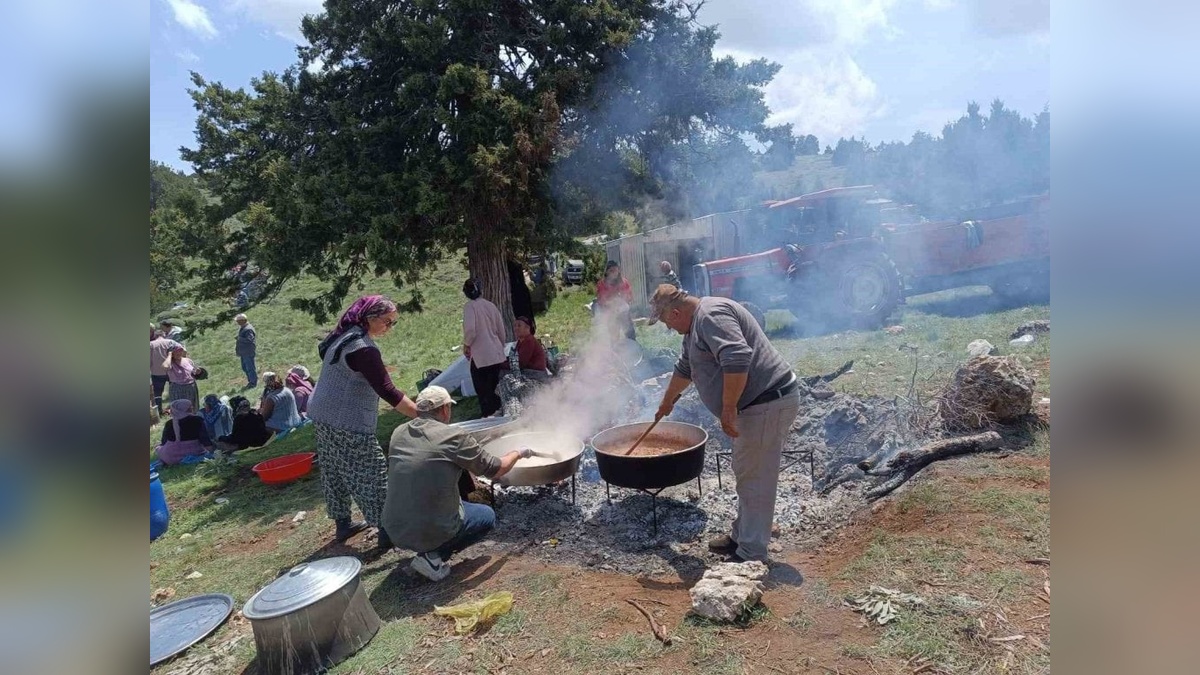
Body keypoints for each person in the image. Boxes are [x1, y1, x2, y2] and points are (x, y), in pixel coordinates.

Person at [647, 284, 801, 563]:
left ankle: (751, 554)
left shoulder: (711, 316)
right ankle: (741, 537)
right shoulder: (694, 325)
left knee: (756, 479)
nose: (668, 328)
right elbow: (685, 367)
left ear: (676, 312)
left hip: (766, 402)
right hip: (756, 405)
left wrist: (728, 408)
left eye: (666, 322)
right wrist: (667, 400)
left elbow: (738, 357)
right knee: (747, 473)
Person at [382, 386, 531, 581]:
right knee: (487, 516)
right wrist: (518, 452)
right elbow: (497, 469)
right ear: (445, 409)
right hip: (422, 527)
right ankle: (432, 559)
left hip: (393, 526)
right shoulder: (453, 436)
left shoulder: (398, 432)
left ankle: (427, 546)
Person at [308, 295, 419, 548]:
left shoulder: (343, 336)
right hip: (345, 420)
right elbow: (387, 391)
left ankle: (343, 523)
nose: (389, 328)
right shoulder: (362, 348)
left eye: (394, 323)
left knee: (333, 469)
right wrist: (423, 416)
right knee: (372, 471)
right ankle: (387, 529)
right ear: (370, 318)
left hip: (322, 414)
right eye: (388, 322)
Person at [461, 279, 508, 418]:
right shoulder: (490, 305)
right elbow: (501, 330)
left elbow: (471, 330)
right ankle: (502, 414)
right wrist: (500, 345)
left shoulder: (470, 307)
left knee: (483, 390)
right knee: (496, 388)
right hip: (495, 353)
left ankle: (489, 417)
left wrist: (466, 344)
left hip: (481, 356)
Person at [155, 399, 213, 465]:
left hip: (170, 456)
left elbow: (164, 442)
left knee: (158, 447)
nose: (192, 408)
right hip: (193, 452)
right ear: (188, 409)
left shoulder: (169, 423)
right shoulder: (197, 420)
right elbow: (205, 440)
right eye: (190, 406)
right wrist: (212, 451)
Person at [595, 261, 636, 340]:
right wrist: (611, 303)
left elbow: (629, 297)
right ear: (607, 272)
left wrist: (623, 300)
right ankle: (615, 350)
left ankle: (633, 347)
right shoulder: (602, 284)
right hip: (611, 314)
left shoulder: (624, 282)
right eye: (611, 271)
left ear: (618, 271)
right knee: (614, 336)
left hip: (624, 313)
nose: (614, 273)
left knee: (630, 333)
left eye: (616, 270)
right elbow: (601, 300)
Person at [150, 330, 183, 415]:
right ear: (163, 335)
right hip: (171, 370)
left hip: (156, 372)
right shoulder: (170, 342)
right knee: (175, 390)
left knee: (158, 393)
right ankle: (175, 409)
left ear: (155, 336)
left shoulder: (151, 344)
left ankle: (159, 412)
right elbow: (182, 350)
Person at [513, 316, 550, 382]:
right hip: (530, 371)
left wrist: (500, 365)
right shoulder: (520, 341)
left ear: (527, 328)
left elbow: (521, 363)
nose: (516, 328)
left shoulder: (529, 341)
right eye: (515, 326)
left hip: (536, 373)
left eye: (519, 326)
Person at [162, 345, 200, 411]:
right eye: (176, 351)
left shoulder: (188, 361)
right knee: (180, 410)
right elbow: (165, 366)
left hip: (191, 387)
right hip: (178, 389)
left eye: (180, 351)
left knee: (192, 408)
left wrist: (197, 372)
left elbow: (193, 373)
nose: (179, 353)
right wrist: (169, 355)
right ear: (172, 353)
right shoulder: (170, 363)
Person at [235, 313, 258, 389]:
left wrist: (239, 338)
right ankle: (251, 381)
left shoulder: (248, 329)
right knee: (245, 367)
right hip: (244, 352)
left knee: (250, 368)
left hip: (248, 352)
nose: (237, 322)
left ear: (243, 321)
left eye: (238, 321)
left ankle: (253, 383)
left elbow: (250, 340)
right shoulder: (244, 327)